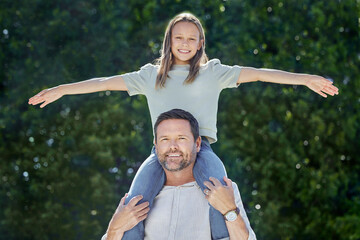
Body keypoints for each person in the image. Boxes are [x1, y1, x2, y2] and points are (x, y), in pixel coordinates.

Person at [28, 12, 339, 240]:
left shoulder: (213, 73)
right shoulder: (150, 76)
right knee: (134, 202)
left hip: (201, 151)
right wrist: (63, 89)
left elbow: (258, 72)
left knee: (220, 192)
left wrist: (305, 79)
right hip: (161, 153)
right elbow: (103, 83)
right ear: (169, 41)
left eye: (192, 38)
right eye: (179, 37)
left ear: (200, 42)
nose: (185, 43)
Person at [101, 109, 256, 240]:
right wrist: (114, 229)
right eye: (165, 139)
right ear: (156, 146)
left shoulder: (223, 191)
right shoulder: (137, 196)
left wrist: (230, 211)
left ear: (197, 144)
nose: (173, 147)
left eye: (181, 138)